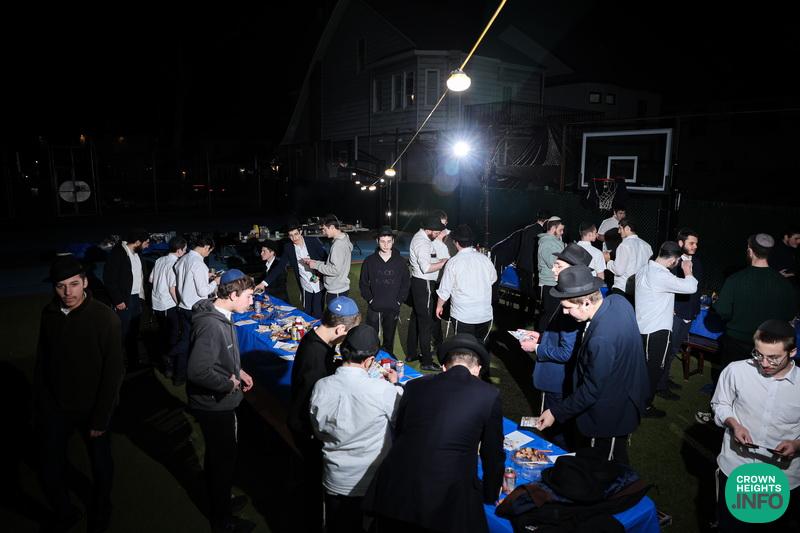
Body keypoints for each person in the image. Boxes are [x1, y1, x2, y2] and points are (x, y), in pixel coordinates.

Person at [363, 333, 505, 533]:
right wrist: (490, 494)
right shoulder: (489, 395)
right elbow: (493, 454)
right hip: (445, 497)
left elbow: (401, 430)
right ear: (478, 369)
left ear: (444, 367)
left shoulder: (414, 386)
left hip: (395, 488)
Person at [36, 256, 124, 532]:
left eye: (74, 284)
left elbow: (113, 372)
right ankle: (65, 512)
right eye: (60, 285)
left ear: (85, 282)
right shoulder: (49, 314)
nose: (67, 292)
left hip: (92, 409)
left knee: (100, 463)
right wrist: (42, 403)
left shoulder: (105, 318)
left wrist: (101, 418)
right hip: (56, 408)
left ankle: (102, 508)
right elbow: (43, 361)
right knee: (50, 464)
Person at [537, 266, 650, 464]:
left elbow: (591, 389)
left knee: (605, 467)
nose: (565, 312)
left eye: (568, 307)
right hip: (626, 395)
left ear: (587, 302)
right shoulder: (618, 301)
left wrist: (555, 412)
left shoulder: (601, 339)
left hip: (610, 415)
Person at [309, 325, 403, 533]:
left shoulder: (321, 386)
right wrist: (396, 387)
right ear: (369, 360)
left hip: (335, 476)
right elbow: (401, 421)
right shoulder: (382, 390)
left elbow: (318, 430)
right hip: (370, 480)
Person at [710, 320, 800, 531]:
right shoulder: (736, 371)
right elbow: (720, 404)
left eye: (773, 357)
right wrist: (733, 423)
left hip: (782, 477)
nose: (764, 363)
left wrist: (797, 446)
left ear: (792, 352)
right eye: (759, 354)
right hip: (736, 468)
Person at [187, 269, 256, 533]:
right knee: (222, 461)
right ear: (233, 295)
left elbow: (221, 356)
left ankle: (221, 500)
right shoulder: (211, 325)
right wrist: (228, 384)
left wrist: (239, 371)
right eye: (249, 296)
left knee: (219, 458)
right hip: (214, 405)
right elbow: (198, 371)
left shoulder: (220, 315)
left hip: (217, 402)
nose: (252, 302)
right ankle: (222, 520)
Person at [287, 296, 361, 533]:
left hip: (303, 422)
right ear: (340, 329)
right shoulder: (315, 355)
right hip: (307, 429)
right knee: (316, 484)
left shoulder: (317, 340)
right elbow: (315, 404)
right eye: (347, 333)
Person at [519, 243, 592, 448]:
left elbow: (567, 352)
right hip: (556, 380)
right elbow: (561, 337)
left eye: (558, 265)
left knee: (557, 432)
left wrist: (536, 348)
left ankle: (559, 461)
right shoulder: (569, 296)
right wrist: (541, 337)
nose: (552, 269)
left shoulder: (575, 305)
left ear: (573, 271)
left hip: (559, 381)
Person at [635, 241, 697, 418]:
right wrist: (688, 271)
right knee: (654, 370)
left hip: (642, 327)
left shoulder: (644, 269)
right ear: (673, 260)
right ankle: (645, 407)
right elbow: (691, 287)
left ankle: (637, 401)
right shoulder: (661, 275)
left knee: (643, 369)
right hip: (657, 331)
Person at [435, 224, 497, 342]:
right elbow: (493, 279)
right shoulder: (484, 259)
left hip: (463, 315)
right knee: (480, 347)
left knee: (464, 348)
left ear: (456, 242)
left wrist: (439, 306)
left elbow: (444, 291)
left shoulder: (453, 262)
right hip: (484, 314)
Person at [174, 234, 220, 386]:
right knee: (197, 343)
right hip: (195, 308)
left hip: (182, 305)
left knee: (186, 340)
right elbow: (203, 291)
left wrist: (205, 275)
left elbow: (182, 274)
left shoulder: (183, 259)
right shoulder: (199, 263)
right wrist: (215, 282)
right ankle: (194, 372)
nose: (209, 254)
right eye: (210, 251)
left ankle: (180, 376)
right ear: (206, 247)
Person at [358, 226, 410, 355]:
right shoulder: (369, 261)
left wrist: (399, 301)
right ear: (377, 241)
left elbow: (405, 284)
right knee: (371, 337)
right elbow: (363, 284)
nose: (386, 245)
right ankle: (371, 358)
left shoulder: (401, 262)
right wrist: (370, 299)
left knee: (389, 338)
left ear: (393, 241)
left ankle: (388, 357)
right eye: (382, 241)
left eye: (389, 241)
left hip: (392, 307)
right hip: (374, 306)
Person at [664, 228, 703, 399]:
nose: (695, 246)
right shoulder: (673, 263)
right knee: (667, 350)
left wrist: (694, 310)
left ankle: (664, 379)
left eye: (696, 243)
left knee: (674, 350)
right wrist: (671, 308)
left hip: (689, 314)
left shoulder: (698, 262)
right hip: (675, 314)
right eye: (691, 243)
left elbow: (697, 289)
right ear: (681, 243)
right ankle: (660, 385)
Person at [406, 215, 449, 371]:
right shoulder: (422, 242)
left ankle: (411, 353)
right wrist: (444, 262)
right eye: (436, 233)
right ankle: (426, 361)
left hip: (419, 283)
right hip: (424, 284)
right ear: (429, 230)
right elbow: (426, 268)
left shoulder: (422, 237)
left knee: (416, 319)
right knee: (425, 323)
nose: (437, 235)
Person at [103, 228, 150, 366]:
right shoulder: (117, 254)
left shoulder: (137, 253)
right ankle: (115, 363)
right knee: (122, 333)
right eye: (146, 243)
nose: (148, 245)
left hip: (136, 298)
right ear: (137, 242)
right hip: (124, 299)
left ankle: (133, 361)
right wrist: (118, 300)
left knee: (134, 332)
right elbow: (109, 279)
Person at [149, 236, 187, 378]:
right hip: (168, 304)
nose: (185, 252)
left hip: (157, 303)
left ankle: (165, 362)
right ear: (179, 250)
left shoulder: (159, 260)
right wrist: (180, 304)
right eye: (184, 249)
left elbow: (151, 279)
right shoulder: (175, 263)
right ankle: (169, 366)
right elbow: (172, 289)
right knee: (172, 336)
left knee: (163, 334)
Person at [302, 214, 353, 306]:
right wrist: (315, 262)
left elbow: (335, 270)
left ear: (332, 227)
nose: (323, 232)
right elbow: (333, 265)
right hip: (340, 288)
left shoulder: (338, 245)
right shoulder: (344, 238)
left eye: (325, 229)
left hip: (336, 290)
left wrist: (315, 265)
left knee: (335, 315)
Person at [284, 220, 327, 318]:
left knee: (318, 313)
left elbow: (325, 259)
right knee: (307, 313)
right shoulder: (288, 247)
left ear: (301, 232)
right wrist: (264, 283)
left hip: (319, 284)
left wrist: (319, 275)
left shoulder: (313, 241)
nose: (294, 238)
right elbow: (280, 266)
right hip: (305, 285)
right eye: (291, 235)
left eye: (296, 234)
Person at [604, 217, 652, 302]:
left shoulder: (624, 245)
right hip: (639, 289)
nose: (618, 231)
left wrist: (608, 261)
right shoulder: (647, 246)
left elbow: (619, 270)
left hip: (623, 289)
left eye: (620, 228)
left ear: (627, 228)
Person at [516, 210, 551, 312]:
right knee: (533, 293)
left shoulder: (527, 229)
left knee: (523, 291)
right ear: (546, 220)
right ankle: (530, 314)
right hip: (532, 266)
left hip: (521, 264)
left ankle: (521, 312)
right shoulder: (542, 233)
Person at [537, 217, 566, 329]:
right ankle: (541, 336)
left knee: (553, 314)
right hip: (550, 283)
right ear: (553, 228)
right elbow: (552, 262)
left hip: (555, 282)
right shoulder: (546, 243)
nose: (562, 233)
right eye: (560, 230)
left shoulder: (554, 241)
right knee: (549, 314)